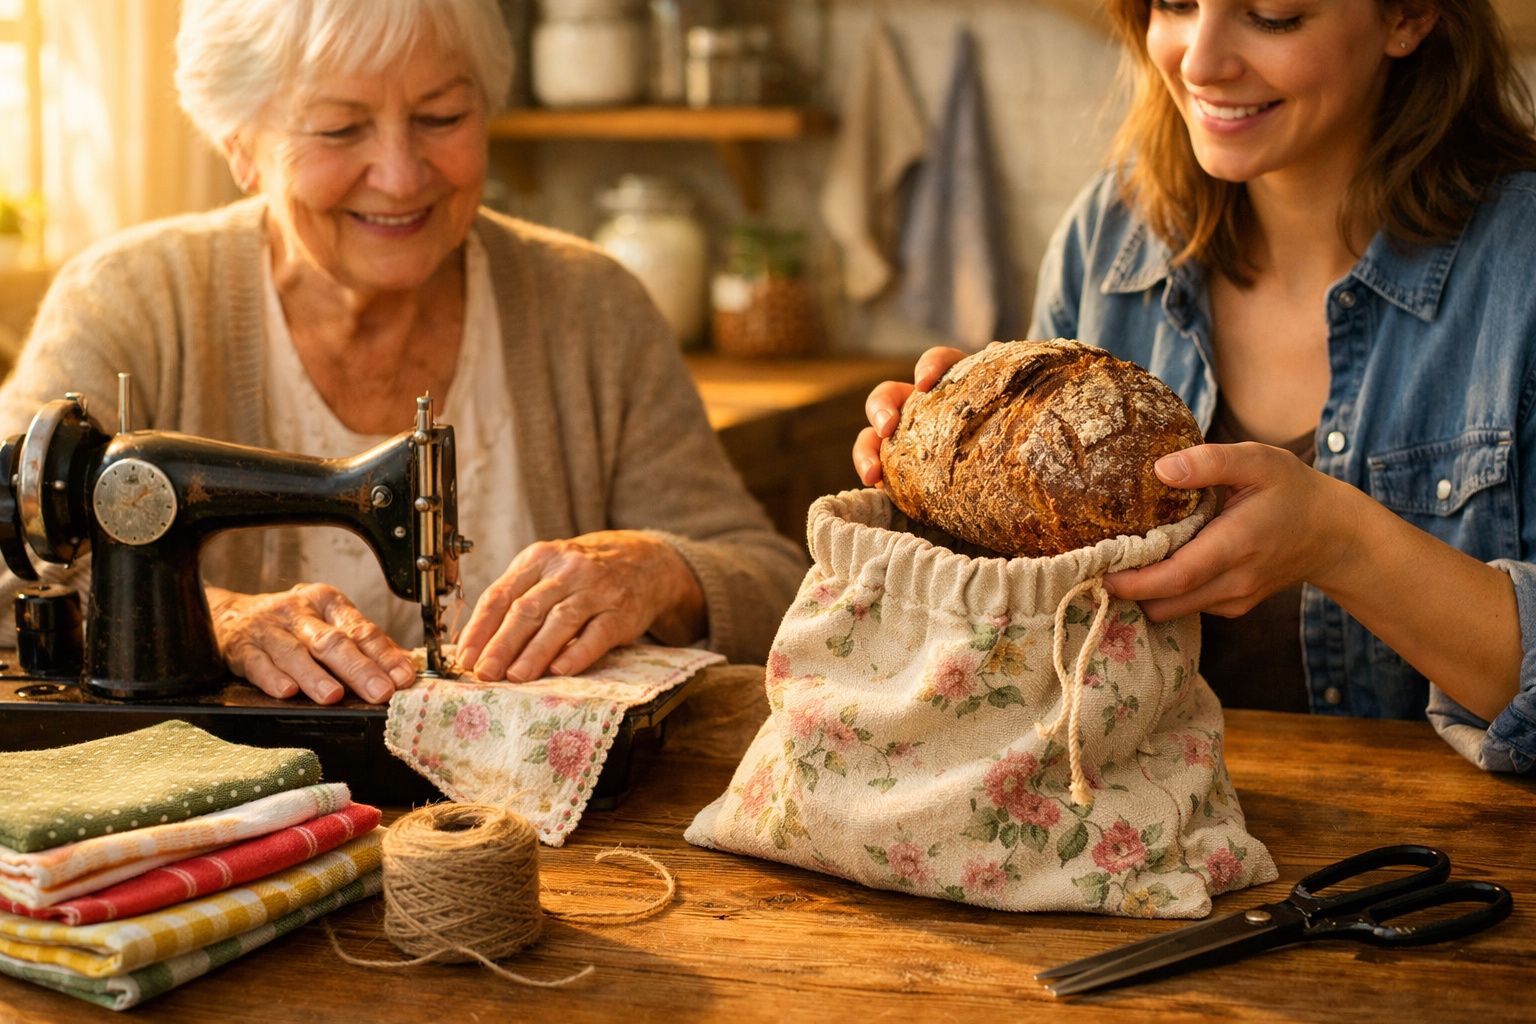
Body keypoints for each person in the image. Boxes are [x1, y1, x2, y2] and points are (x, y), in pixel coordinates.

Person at [0, 0, 806, 705]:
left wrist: (659, 570)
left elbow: (775, 586)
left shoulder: (593, 308)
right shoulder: (133, 299)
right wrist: (205, 617)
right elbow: (9, 561)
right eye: (341, 128)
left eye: (442, 117)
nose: (400, 174)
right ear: (239, 145)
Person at [854, 0, 1536, 773]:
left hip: (1446, 859)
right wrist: (944, 485)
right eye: (1175, 3)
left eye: (1273, 15)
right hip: (1125, 847)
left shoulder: (1522, 267)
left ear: (1408, 17)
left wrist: (1339, 543)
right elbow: (1028, 648)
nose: (1200, 60)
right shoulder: (1107, 237)